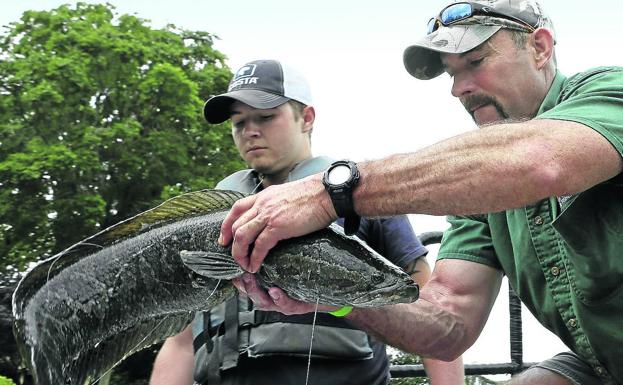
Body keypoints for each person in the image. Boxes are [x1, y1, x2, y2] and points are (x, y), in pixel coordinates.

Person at [217, 2, 623, 385]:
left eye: (476, 62)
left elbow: (541, 162)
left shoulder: (610, 92)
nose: (459, 89)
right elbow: (446, 326)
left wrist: (329, 193)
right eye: (451, 73)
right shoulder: (478, 195)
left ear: (539, 46)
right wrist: (336, 294)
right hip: (599, 364)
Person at [149, 59, 464, 385]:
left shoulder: (363, 196)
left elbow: (430, 311)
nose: (250, 131)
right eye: (239, 122)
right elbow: (181, 342)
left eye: (266, 117)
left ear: (307, 118)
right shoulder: (212, 221)